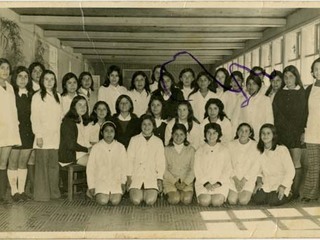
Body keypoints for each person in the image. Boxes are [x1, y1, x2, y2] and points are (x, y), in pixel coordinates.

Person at [272, 65, 306, 199]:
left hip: (296, 133)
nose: (288, 80)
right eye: (285, 77)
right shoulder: (279, 94)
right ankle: (285, 189)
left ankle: (295, 192)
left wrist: (303, 131)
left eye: (291, 76)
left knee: (295, 162)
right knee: (283, 162)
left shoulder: (302, 93)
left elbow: (305, 114)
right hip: (281, 133)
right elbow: (276, 114)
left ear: (296, 77)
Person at [31, 70, 62, 201]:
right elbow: (35, 117)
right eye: (46, 79)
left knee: (53, 166)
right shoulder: (37, 96)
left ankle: (54, 193)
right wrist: (38, 135)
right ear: (42, 81)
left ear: (55, 82)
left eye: (52, 79)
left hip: (55, 136)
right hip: (42, 136)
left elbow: (60, 116)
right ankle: (42, 195)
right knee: (42, 166)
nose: (49, 82)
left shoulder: (58, 96)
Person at [8, 66, 35, 202]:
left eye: (26, 76)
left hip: (28, 132)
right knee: (13, 162)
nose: (23, 79)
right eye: (20, 76)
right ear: (15, 78)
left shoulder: (33, 95)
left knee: (23, 163)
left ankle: (22, 190)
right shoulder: (9, 93)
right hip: (14, 131)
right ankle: (14, 192)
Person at [252, 124, 295, 206]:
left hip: (281, 183)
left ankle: (289, 193)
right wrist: (259, 182)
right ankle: (269, 195)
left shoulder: (282, 149)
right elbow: (258, 171)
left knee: (273, 201)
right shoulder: (259, 151)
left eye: (268, 133)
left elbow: (290, 171)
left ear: (273, 135)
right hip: (266, 183)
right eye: (263, 133)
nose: (265, 136)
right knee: (257, 199)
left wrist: (283, 186)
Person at [127, 114, 166, 205]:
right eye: (144, 124)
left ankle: (148, 191)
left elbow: (160, 163)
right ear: (140, 126)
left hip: (151, 177)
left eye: (149, 124)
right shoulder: (134, 140)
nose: (146, 127)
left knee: (150, 201)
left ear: (153, 126)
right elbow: (129, 160)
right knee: (136, 200)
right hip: (136, 177)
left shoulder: (158, 141)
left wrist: (159, 179)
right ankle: (137, 191)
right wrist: (129, 178)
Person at [86, 121, 127, 206]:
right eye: (106, 131)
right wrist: (91, 186)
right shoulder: (96, 147)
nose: (109, 134)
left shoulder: (120, 147)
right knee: (103, 201)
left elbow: (124, 167)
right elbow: (90, 168)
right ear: (102, 133)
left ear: (115, 133)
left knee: (115, 201)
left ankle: (112, 194)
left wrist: (123, 182)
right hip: (101, 180)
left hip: (116, 181)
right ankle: (93, 192)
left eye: (111, 131)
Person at [194, 123, 232, 207]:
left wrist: (218, 183)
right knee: (205, 202)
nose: (211, 135)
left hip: (220, 184)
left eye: (214, 133)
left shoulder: (224, 150)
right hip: (203, 183)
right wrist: (206, 183)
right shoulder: (200, 150)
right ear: (205, 134)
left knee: (216, 202)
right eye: (209, 133)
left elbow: (228, 169)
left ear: (219, 134)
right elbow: (197, 170)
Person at [0, 59, 21, 203]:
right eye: (2, 68)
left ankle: (1, 195)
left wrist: (15, 126)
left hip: (9, 130)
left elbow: (13, 110)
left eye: (7, 68)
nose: (5, 71)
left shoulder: (10, 87)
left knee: (3, 163)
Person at [301, 57, 320, 202]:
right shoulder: (309, 89)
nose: (319, 72)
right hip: (312, 131)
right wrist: (303, 130)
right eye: (316, 69)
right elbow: (304, 112)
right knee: (313, 164)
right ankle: (310, 194)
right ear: (312, 72)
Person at [227, 123, 260, 205]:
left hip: (247, 180)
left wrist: (243, 180)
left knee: (243, 201)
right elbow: (227, 164)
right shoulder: (230, 145)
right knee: (232, 201)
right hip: (233, 178)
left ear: (250, 133)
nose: (243, 133)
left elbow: (256, 166)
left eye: (246, 131)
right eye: (241, 130)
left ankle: (248, 192)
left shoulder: (255, 146)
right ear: (237, 132)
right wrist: (235, 179)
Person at [163, 124, 195, 205]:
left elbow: (193, 169)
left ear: (185, 136)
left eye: (181, 134)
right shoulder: (166, 150)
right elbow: (164, 170)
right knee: (174, 200)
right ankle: (168, 193)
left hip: (186, 181)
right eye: (176, 134)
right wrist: (175, 182)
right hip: (170, 181)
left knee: (186, 200)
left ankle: (181, 193)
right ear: (172, 135)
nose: (178, 137)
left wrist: (185, 183)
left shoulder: (191, 150)